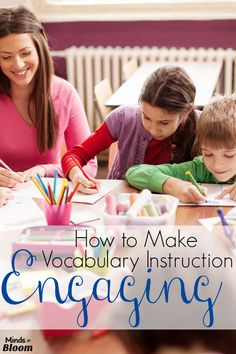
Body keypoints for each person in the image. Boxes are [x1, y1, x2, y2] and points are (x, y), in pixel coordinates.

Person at [0, 6, 97, 188]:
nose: (18, 64)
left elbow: (89, 165)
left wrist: (46, 170)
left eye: (25, 53)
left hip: (47, 195)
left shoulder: (64, 94)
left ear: (40, 46)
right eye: (6, 57)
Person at [62, 65, 198, 194]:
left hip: (173, 204)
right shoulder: (123, 118)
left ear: (186, 111)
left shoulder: (201, 126)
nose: (154, 130)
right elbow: (72, 156)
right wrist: (77, 175)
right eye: (146, 117)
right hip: (124, 203)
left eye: (164, 122)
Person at [126, 94, 236, 203]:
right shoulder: (200, 169)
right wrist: (173, 185)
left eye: (229, 155)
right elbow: (134, 172)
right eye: (208, 154)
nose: (217, 164)